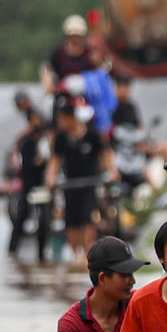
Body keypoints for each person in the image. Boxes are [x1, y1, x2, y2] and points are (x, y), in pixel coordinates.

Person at [46, 103, 118, 269]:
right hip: (70, 184)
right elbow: (55, 160)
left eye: (62, 119)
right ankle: (75, 254)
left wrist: (112, 171)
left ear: (71, 118)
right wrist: (50, 177)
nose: (61, 123)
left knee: (87, 219)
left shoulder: (92, 134)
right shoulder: (62, 137)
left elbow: (105, 154)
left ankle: (87, 254)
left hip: (89, 183)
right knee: (71, 221)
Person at [2, 90, 51, 263]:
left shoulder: (36, 127)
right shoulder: (29, 141)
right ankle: (13, 249)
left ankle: (40, 252)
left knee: (42, 216)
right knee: (23, 213)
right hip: (29, 179)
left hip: (39, 179)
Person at [43, 15, 100, 94]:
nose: (75, 39)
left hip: (87, 97)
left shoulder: (90, 53)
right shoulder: (59, 53)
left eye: (78, 36)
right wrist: (48, 83)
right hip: (64, 97)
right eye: (72, 36)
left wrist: (98, 63)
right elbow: (48, 69)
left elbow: (99, 73)